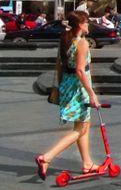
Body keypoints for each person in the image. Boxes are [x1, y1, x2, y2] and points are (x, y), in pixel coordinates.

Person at [34, 11, 101, 180]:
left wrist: (59, 87)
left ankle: (87, 163)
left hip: (67, 85)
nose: (88, 25)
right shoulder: (82, 43)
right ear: (80, 25)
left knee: (83, 124)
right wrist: (92, 93)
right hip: (79, 89)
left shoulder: (65, 39)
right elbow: (80, 70)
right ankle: (47, 157)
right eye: (86, 22)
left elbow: (61, 64)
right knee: (81, 129)